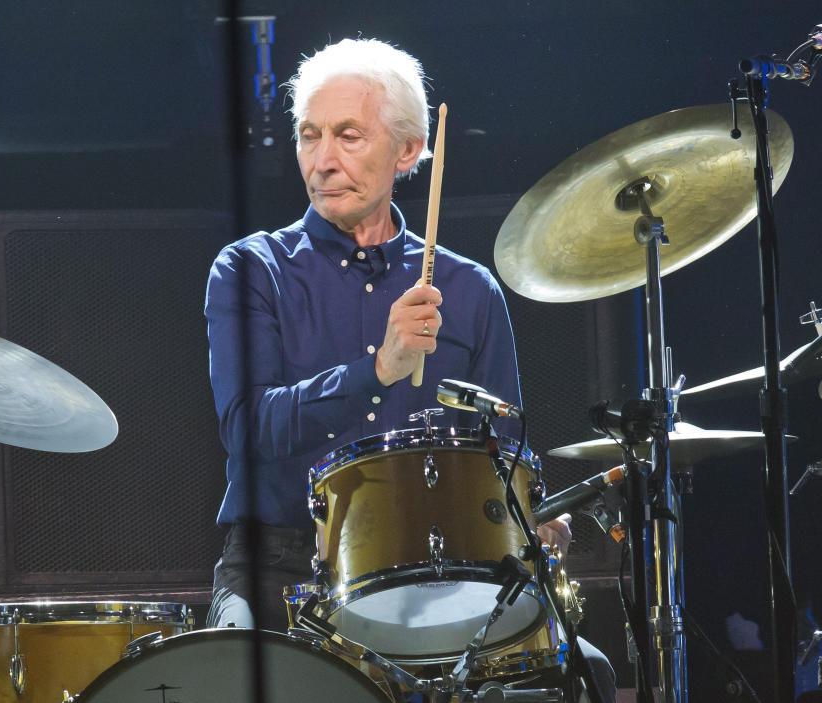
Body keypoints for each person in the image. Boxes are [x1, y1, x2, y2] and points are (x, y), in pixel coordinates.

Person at [204, 38, 615, 700]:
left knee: (585, 672)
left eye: (347, 135)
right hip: (279, 570)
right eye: (309, 136)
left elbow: (502, 449)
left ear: (409, 150)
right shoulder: (251, 270)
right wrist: (380, 368)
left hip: (443, 575)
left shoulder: (470, 289)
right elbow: (247, 428)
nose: (323, 159)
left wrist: (527, 512)